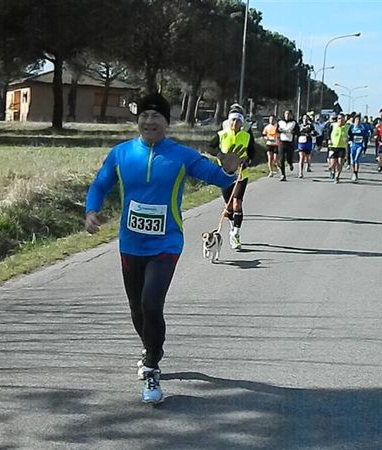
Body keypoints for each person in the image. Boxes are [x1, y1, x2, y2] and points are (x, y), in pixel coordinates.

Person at [85, 93, 245, 404]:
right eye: (144, 116)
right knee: (136, 310)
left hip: (166, 243)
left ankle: (151, 367)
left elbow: (214, 175)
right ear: (138, 121)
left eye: (156, 117)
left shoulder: (181, 156)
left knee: (150, 304)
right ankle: (152, 347)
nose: (149, 121)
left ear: (166, 124)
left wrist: (227, 169)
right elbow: (100, 184)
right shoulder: (121, 154)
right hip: (130, 243)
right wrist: (91, 210)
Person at [210, 108, 256, 250]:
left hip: (241, 174)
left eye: (237, 120)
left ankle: (236, 234)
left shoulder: (246, 136)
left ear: (242, 123)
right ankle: (232, 225)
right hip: (224, 174)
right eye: (232, 120)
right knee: (229, 206)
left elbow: (252, 152)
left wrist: (247, 161)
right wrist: (220, 155)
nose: (234, 123)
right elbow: (210, 147)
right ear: (228, 121)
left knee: (237, 204)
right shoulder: (221, 135)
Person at [328, 113, 349, 183]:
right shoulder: (333, 126)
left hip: (342, 147)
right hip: (333, 146)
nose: (340, 120)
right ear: (337, 119)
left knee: (340, 162)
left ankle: (337, 177)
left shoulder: (347, 127)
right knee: (333, 163)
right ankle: (332, 170)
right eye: (339, 119)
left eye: (342, 119)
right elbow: (328, 134)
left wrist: (348, 139)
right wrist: (329, 140)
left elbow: (350, 136)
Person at [347, 114, 369, 182]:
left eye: (359, 120)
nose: (358, 121)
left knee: (356, 159)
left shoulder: (363, 127)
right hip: (353, 145)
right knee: (352, 160)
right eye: (357, 120)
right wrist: (349, 140)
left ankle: (356, 173)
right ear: (354, 120)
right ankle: (354, 171)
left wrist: (365, 144)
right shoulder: (351, 127)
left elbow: (366, 136)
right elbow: (348, 135)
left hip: (360, 145)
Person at [277, 110, 297, 181]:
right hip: (282, 142)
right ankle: (283, 175)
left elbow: (298, 131)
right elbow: (277, 130)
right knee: (281, 159)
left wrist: (293, 132)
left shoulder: (294, 122)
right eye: (286, 114)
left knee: (289, 158)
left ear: (291, 115)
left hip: (290, 143)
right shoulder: (280, 122)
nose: (287, 115)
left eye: (288, 114)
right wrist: (279, 130)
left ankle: (290, 163)